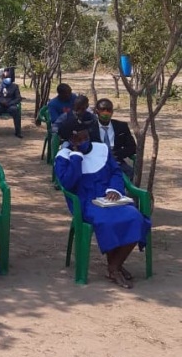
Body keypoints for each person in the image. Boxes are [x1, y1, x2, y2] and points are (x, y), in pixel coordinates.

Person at [54, 118, 150, 289]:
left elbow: (115, 172)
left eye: (84, 136)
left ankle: (115, 265)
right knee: (106, 221)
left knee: (136, 217)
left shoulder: (102, 149)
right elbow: (68, 184)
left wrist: (113, 190)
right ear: (70, 141)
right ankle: (114, 267)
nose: (82, 141)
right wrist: (76, 156)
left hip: (111, 198)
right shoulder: (63, 158)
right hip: (86, 202)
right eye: (77, 139)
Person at [90, 98, 137, 179]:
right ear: (97, 111)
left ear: (112, 112)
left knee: (129, 173)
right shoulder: (90, 128)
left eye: (108, 110)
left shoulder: (121, 126)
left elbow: (132, 147)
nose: (106, 112)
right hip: (96, 162)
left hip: (116, 161)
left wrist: (116, 154)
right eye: (103, 109)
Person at [0, 69, 22, 138]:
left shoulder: (14, 86)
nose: (7, 79)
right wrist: (0, 101)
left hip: (10, 105)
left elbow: (18, 98)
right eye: (5, 77)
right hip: (0, 105)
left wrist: (10, 103)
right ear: (2, 78)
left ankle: (18, 132)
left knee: (16, 110)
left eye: (8, 77)